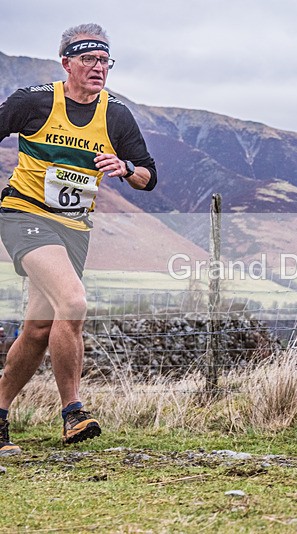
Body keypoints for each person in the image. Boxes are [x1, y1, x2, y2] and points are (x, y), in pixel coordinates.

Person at [0, 23, 157, 456]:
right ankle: (73, 412)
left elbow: (148, 177)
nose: (98, 68)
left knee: (37, 330)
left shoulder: (116, 115)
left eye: (105, 61)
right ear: (66, 63)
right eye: (89, 59)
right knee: (73, 302)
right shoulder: (33, 101)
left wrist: (124, 168)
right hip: (25, 215)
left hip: (74, 228)